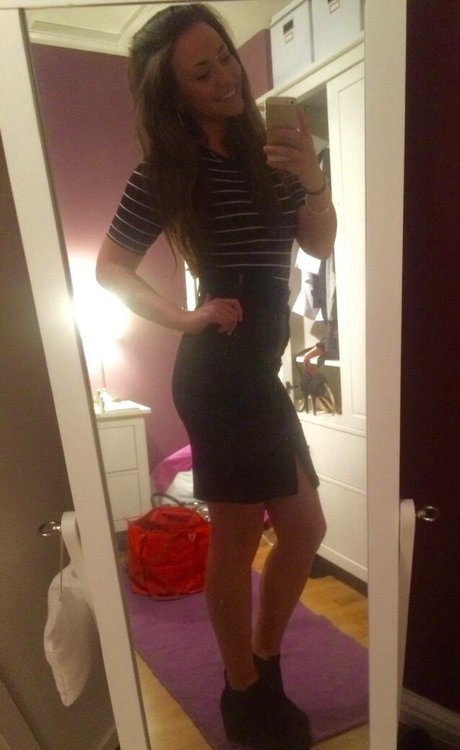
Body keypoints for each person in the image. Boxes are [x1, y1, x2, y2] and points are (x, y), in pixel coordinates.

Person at [96, 5, 336, 749]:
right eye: (202, 72)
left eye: (224, 57)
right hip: (218, 372)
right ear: (175, 92)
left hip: (257, 369)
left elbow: (319, 247)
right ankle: (244, 690)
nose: (226, 76)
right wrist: (182, 317)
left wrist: (314, 179)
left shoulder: (270, 152)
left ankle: (262, 665)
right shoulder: (168, 171)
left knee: (305, 527)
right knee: (236, 536)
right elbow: (111, 268)